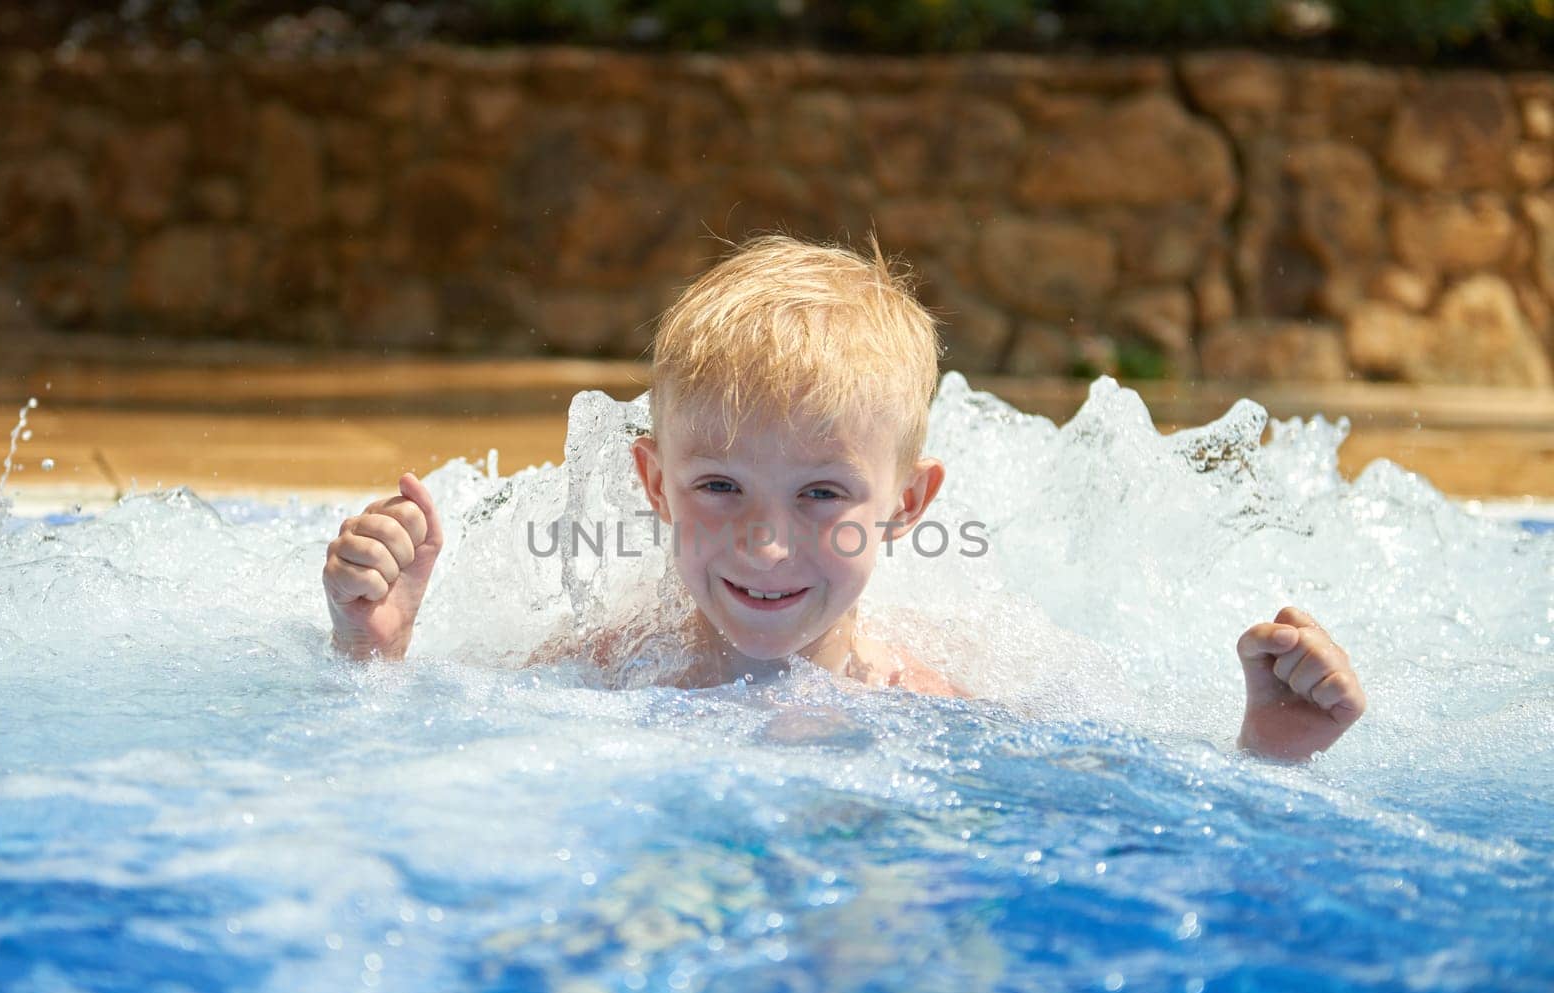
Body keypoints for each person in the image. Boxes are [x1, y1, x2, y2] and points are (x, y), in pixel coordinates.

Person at [322, 235, 1366, 762]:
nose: (767, 542)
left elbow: (1117, 818)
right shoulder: (598, 667)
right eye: (719, 484)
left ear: (908, 502)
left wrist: (1265, 758)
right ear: (652, 484)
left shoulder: (940, 698)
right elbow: (401, 756)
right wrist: (374, 654)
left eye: (822, 492)